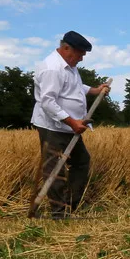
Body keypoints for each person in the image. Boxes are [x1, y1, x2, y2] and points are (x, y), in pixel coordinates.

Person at [31, 31, 111, 218]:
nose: (82, 58)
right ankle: (59, 213)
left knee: (81, 161)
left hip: (70, 126)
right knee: (54, 169)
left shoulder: (69, 65)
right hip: (54, 126)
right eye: (80, 53)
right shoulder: (52, 68)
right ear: (66, 48)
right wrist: (71, 121)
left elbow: (75, 87)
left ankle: (71, 204)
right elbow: (48, 101)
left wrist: (94, 90)